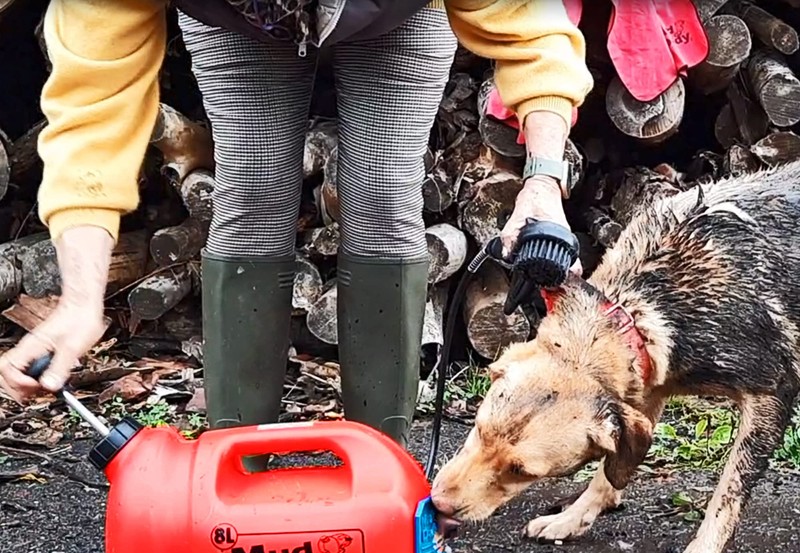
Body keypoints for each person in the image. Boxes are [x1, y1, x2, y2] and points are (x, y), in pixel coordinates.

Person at [0, 0, 593, 448]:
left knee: (383, 201)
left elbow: (533, 32)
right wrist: (79, 303)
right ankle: (231, 475)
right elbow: (93, 111)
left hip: (397, 14)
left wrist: (542, 180)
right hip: (236, 21)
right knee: (251, 200)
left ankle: (380, 475)